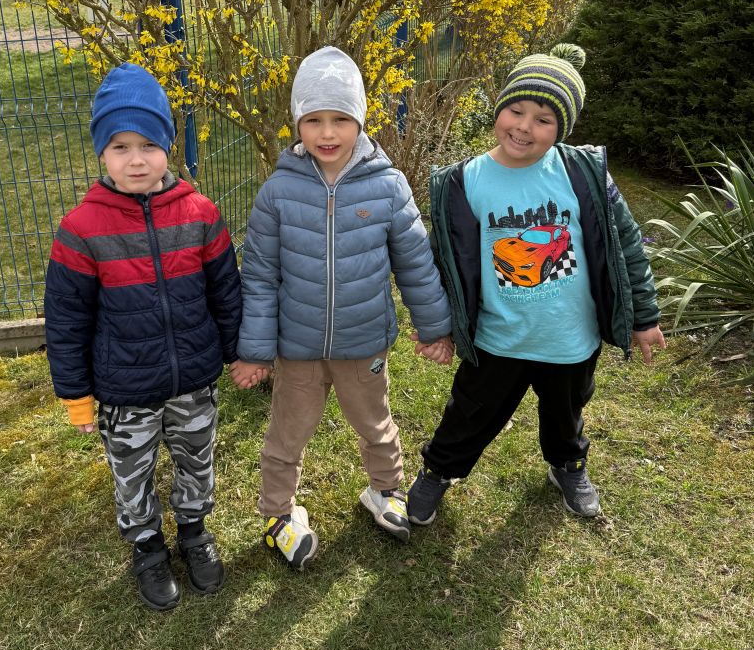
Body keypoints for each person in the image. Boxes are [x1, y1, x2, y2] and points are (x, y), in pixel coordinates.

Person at [407, 44, 665, 525]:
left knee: (566, 414)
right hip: (498, 338)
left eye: (543, 120)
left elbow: (625, 243)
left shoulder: (582, 173)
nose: (524, 127)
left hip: (570, 338)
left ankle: (568, 465)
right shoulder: (464, 181)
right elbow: (445, 263)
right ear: (499, 109)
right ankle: (439, 470)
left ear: (561, 129)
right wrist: (437, 327)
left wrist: (644, 316)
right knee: (470, 412)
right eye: (516, 111)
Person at [230, 46, 454, 569]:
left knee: (375, 423)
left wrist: (434, 328)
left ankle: (385, 490)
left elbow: (416, 265)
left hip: (363, 342)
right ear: (297, 124)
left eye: (340, 119)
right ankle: (278, 514)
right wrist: (255, 351)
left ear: (360, 120)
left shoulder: (388, 186)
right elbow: (259, 276)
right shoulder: (278, 192)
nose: (327, 133)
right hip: (298, 349)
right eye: (313, 120)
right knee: (287, 434)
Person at [44, 63, 242, 610]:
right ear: (101, 154)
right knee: (132, 472)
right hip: (124, 390)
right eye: (121, 147)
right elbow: (66, 320)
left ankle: (194, 531)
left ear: (168, 146)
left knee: (197, 459)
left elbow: (227, 292)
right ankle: (148, 546)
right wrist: (77, 396)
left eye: (149, 145)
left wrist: (240, 353)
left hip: (193, 380)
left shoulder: (200, 214)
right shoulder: (81, 230)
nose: (136, 160)